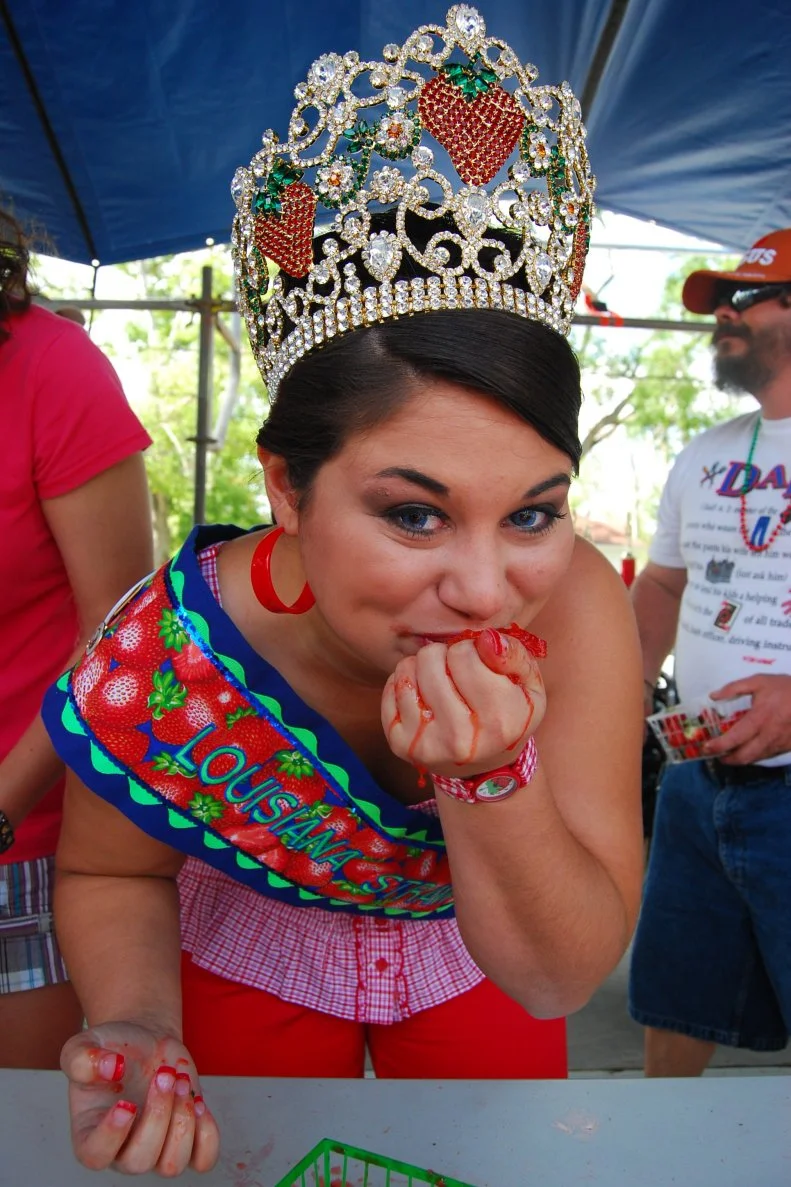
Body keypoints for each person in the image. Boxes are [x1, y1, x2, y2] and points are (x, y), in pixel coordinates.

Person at [43, 8, 643, 1176]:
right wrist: (134, 1017)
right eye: (412, 512)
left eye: (531, 508)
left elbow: (558, 972)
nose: (484, 589)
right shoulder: (177, 649)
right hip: (245, 953)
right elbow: (112, 866)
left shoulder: (573, 605)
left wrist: (488, 775)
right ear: (284, 485)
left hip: (483, 953)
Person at [628, 227, 791, 1075]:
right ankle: (659, 1154)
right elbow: (660, 586)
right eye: (716, 301)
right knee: (673, 992)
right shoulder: (706, 454)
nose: (721, 314)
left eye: (742, 296)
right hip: (696, 776)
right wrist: (613, 695)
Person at [0, 208, 154, 1068]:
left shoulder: (49, 366)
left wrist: (1, 809)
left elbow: (118, 627)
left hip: (28, 844)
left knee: (21, 1140)